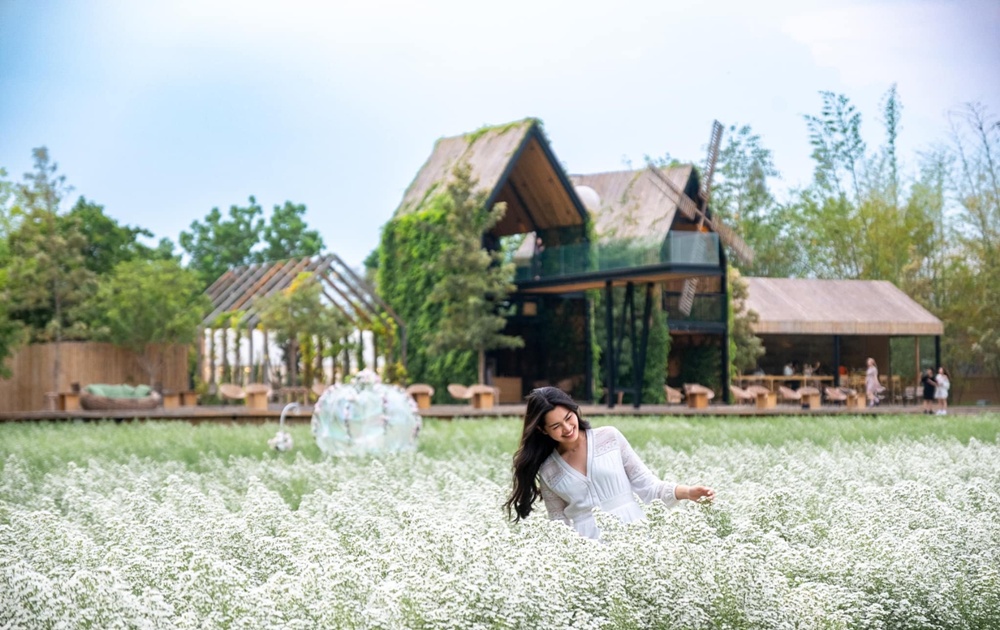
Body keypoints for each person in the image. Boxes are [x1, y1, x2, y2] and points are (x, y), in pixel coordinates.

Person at [504, 387, 715, 539]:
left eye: (569, 418)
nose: (567, 428)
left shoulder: (609, 437)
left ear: (575, 410)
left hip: (633, 534)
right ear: (542, 430)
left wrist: (688, 492)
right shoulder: (548, 470)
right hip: (587, 548)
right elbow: (558, 523)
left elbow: (649, 486)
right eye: (556, 426)